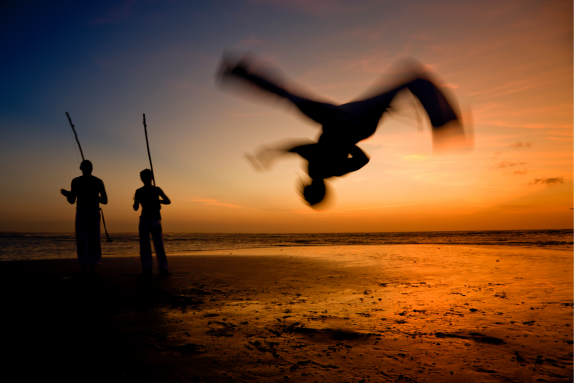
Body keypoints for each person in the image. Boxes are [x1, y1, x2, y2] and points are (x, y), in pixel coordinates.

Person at [218, 54, 467, 207]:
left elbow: (361, 159)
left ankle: (240, 72)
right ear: (313, 189)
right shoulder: (321, 169)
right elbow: (303, 148)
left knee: (289, 95)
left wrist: (272, 153)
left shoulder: (333, 172)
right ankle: (240, 72)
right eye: (306, 194)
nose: (301, 191)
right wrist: (342, 142)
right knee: (289, 96)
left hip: (353, 121)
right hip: (345, 122)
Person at [61, 160, 108, 276]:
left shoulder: (98, 181)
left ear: (91, 168)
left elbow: (105, 200)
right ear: (81, 168)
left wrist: (93, 197)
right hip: (81, 212)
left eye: (88, 167)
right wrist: (68, 195)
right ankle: (83, 267)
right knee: (81, 240)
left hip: (94, 213)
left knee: (94, 240)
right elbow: (72, 201)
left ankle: (92, 267)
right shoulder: (76, 181)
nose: (87, 169)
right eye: (85, 167)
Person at [133, 169, 171, 278]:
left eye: (148, 176)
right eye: (144, 177)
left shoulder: (157, 189)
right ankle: (146, 270)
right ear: (142, 179)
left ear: (151, 177)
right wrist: (136, 203)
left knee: (159, 245)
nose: (146, 178)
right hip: (144, 220)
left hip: (155, 219)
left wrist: (158, 201)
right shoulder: (139, 191)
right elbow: (135, 207)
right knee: (145, 246)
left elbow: (168, 201)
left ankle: (163, 269)